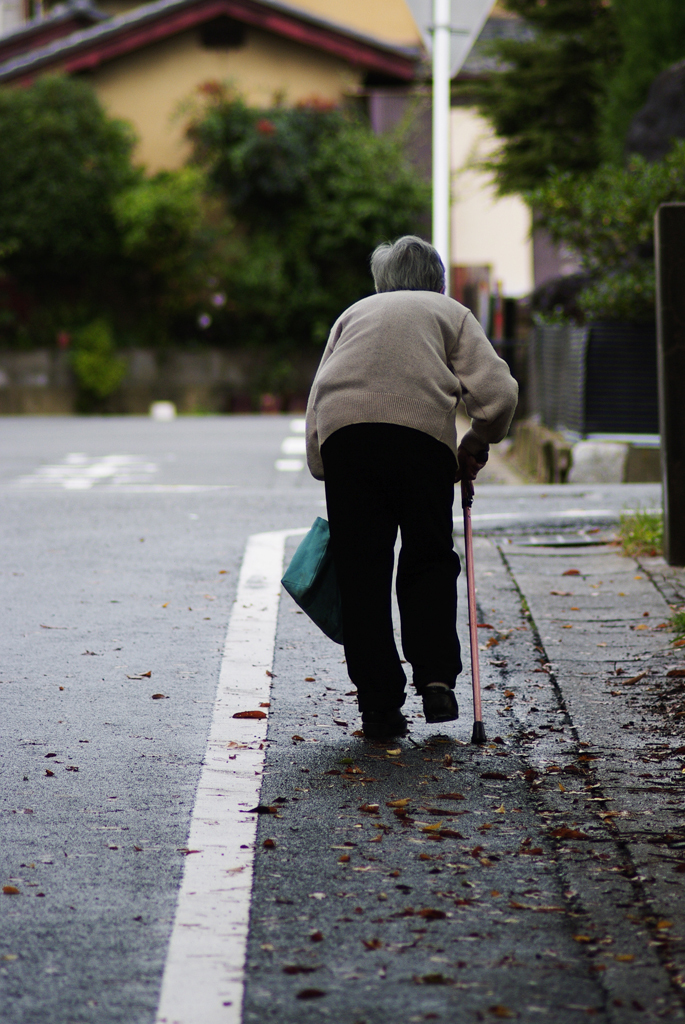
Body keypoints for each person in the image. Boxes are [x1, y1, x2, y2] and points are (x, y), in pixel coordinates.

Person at [305, 235, 518, 739]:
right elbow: (498, 394)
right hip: (420, 441)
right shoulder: (450, 312)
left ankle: (378, 704)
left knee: (362, 569)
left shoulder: (353, 314)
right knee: (427, 556)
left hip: (346, 440)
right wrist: (477, 439)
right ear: (437, 282)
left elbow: (319, 394)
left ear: (382, 284)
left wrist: (322, 460)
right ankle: (437, 678)